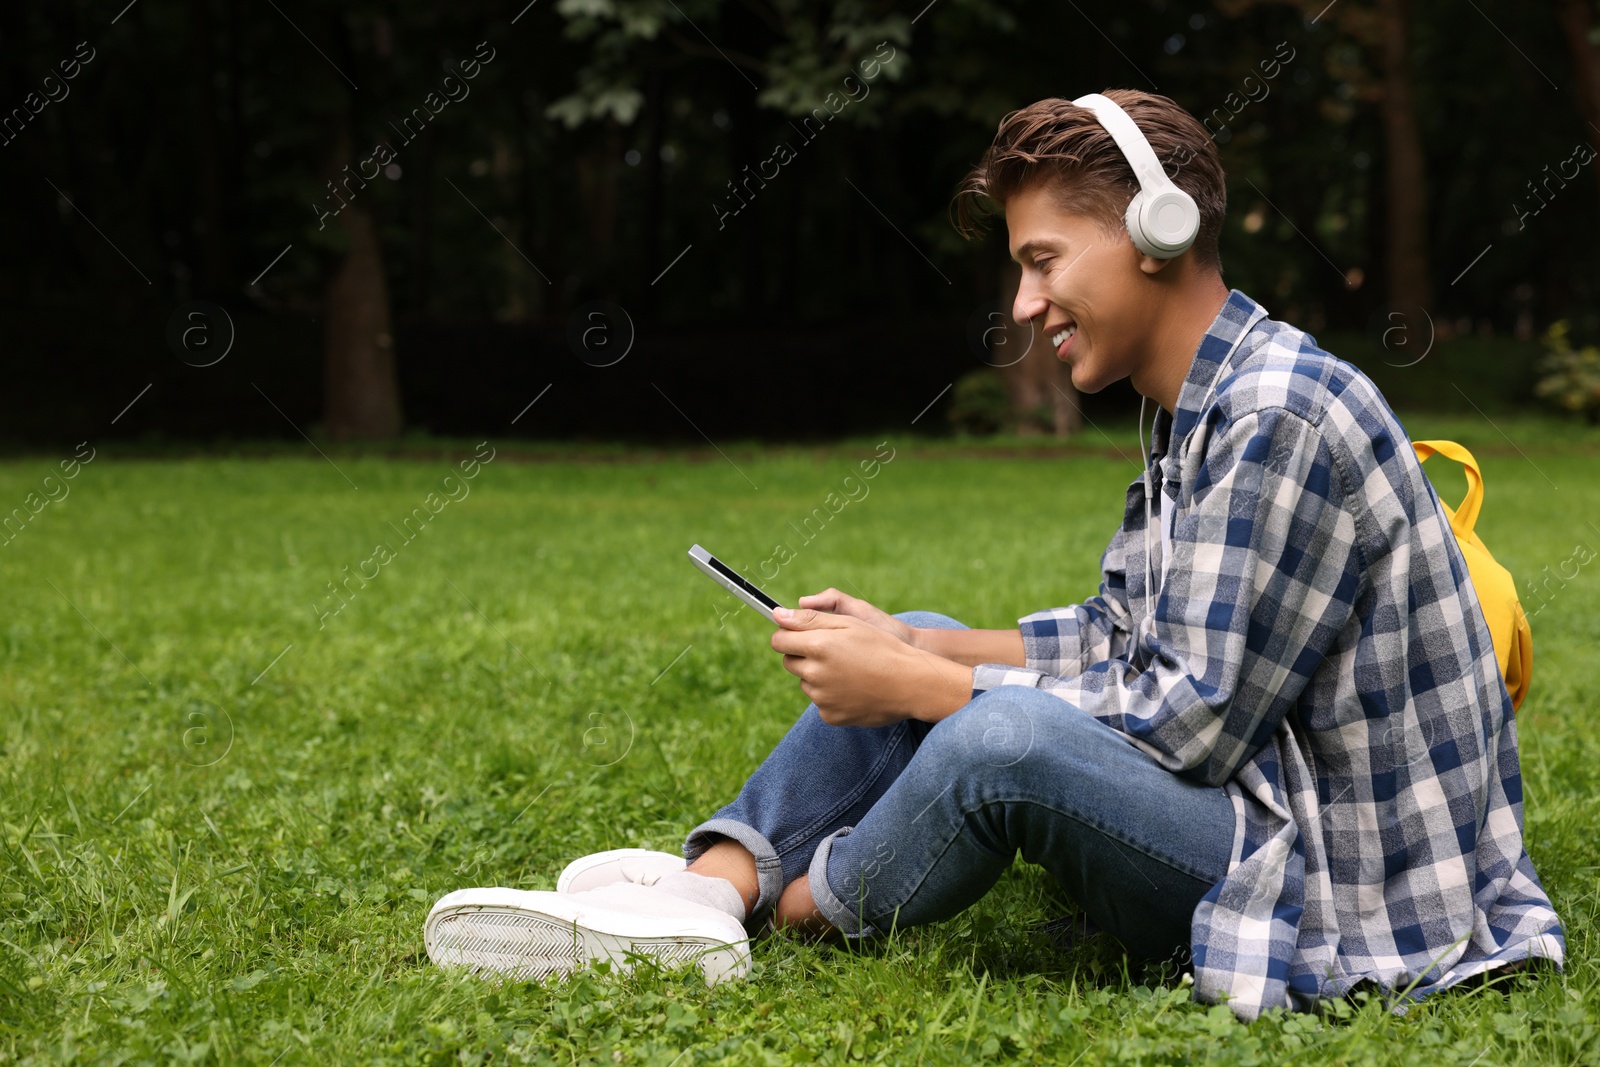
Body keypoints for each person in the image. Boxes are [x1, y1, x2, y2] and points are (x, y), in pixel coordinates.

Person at [424, 89, 1564, 1019]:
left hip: (1336, 879)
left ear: (1154, 231)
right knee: (923, 635)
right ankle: (707, 887)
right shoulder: (1199, 403)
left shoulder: (1278, 414)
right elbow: (1123, 635)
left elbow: (1187, 722)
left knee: (1000, 736)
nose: (1024, 303)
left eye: (1041, 259)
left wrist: (921, 684)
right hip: (1272, 803)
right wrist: (912, 643)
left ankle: (774, 913)